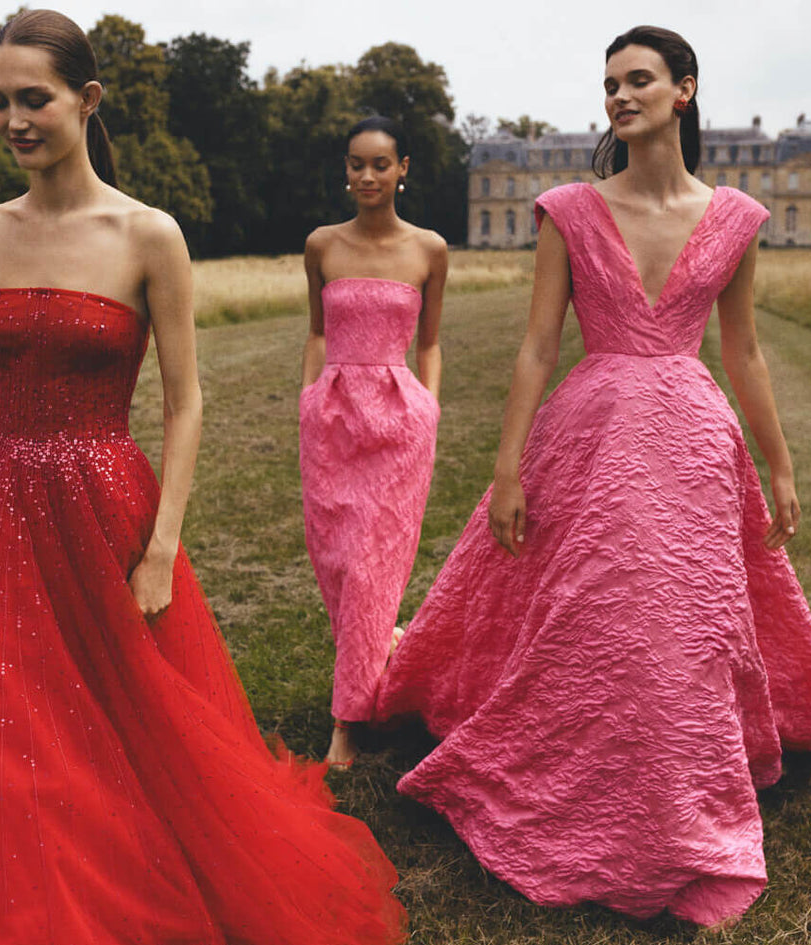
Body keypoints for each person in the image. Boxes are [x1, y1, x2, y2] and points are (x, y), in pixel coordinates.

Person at [0, 11, 406, 944]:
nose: (13, 120)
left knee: (113, 723)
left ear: (87, 99)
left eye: (33, 99)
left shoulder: (149, 235)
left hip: (105, 509)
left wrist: (162, 546)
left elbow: (185, 402)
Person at [374, 25, 811, 927]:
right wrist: (507, 469)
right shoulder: (567, 208)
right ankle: (588, 762)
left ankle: (683, 786)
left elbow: (745, 352)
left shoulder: (736, 217)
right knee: (594, 609)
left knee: (689, 619)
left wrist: (780, 464)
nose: (620, 96)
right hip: (590, 432)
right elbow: (537, 347)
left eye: (639, 79)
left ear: (685, 91)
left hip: (693, 437)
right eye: (610, 84)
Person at [300, 116, 446, 767]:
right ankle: (380, 663)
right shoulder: (321, 245)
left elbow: (430, 343)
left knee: (370, 568)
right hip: (330, 422)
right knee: (336, 565)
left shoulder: (429, 250)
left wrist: (429, 406)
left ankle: (347, 722)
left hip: (398, 426)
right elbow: (316, 332)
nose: (366, 176)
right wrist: (308, 398)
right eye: (356, 164)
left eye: (380, 164)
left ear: (402, 168)